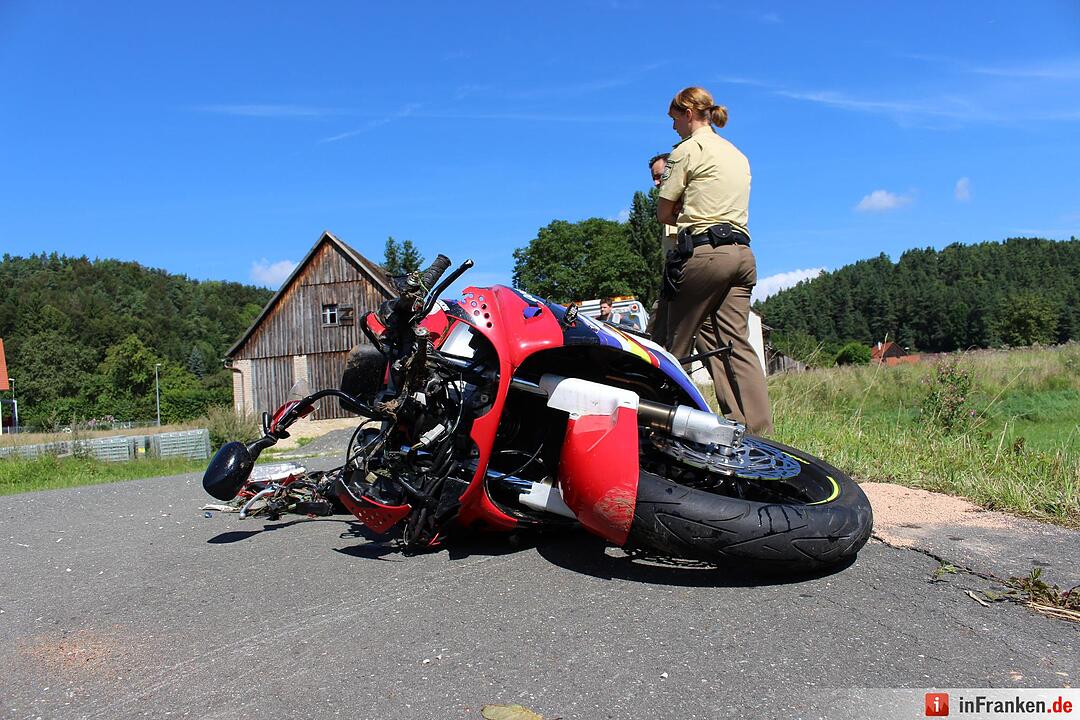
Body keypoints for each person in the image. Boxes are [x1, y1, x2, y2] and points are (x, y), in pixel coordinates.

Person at [656, 86, 772, 435]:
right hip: (742, 255)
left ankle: (657, 431)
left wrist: (685, 208)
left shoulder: (687, 151)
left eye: (674, 118)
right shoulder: (737, 154)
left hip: (704, 255)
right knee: (734, 344)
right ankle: (755, 434)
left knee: (666, 345)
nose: (673, 126)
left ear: (688, 113)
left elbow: (664, 212)